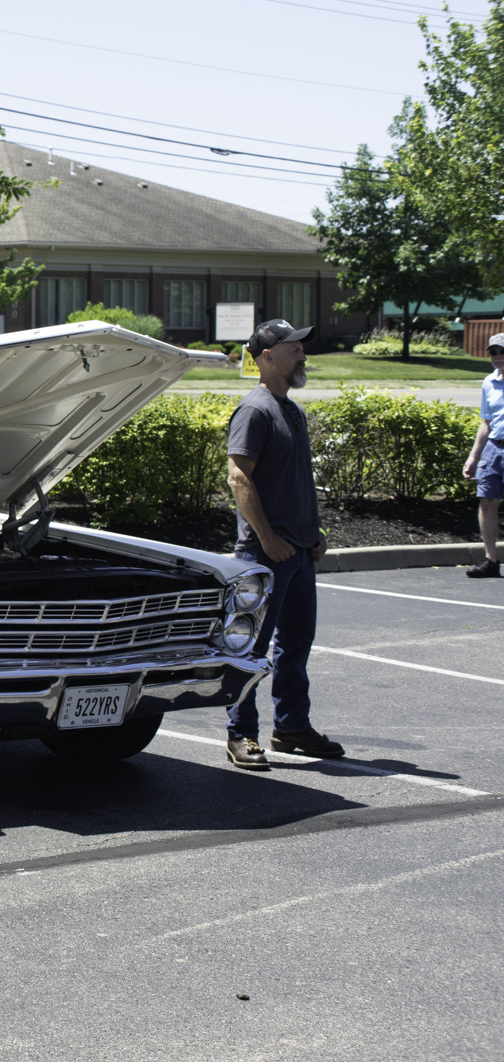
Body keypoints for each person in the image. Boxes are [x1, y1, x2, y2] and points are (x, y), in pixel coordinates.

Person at [224, 318, 346, 770]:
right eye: (294, 349)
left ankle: (292, 727)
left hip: (298, 552)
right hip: (265, 554)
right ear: (268, 357)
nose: (302, 355)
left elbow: (295, 480)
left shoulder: (289, 408)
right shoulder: (255, 410)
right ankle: (241, 734)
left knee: (295, 645)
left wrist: (314, 534)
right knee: (251, 649)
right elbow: (238, 478)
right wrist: (268, 538)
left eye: (301, 348)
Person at [461, 332, 504, 577]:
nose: (498, 356)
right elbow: (486, 422)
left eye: (502, 351)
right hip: (494, 447)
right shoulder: (489, 382)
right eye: (493, 352)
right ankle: (491, 561)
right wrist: (473, 457)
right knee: (487, 501)